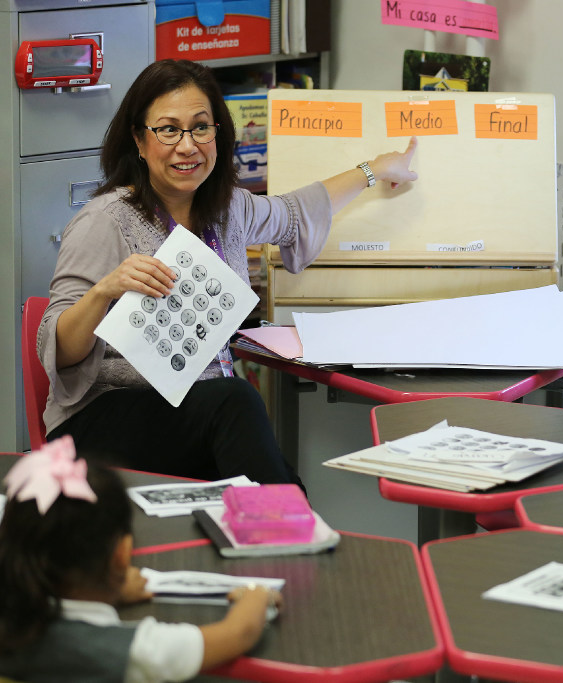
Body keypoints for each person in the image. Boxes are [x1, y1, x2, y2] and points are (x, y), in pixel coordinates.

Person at [37, 59, 418, 484]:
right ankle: (293, 537)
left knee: (252, 449)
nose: (187, 145)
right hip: (105, 416)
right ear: (139, 142)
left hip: (198, 411)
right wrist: (103, 292)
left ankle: (287, 532)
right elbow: (59, 348)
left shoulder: (229, 209)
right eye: (168, 130)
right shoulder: (105, 220)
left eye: (201, 127)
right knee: (237, 405)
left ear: (219, 133)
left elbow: (296, 210)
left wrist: (375, 170)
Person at [0, 436, 282, 682]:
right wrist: (257, 596)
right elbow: (240, 632)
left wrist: (115, 592)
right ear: (122, 554)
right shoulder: (136, 650)